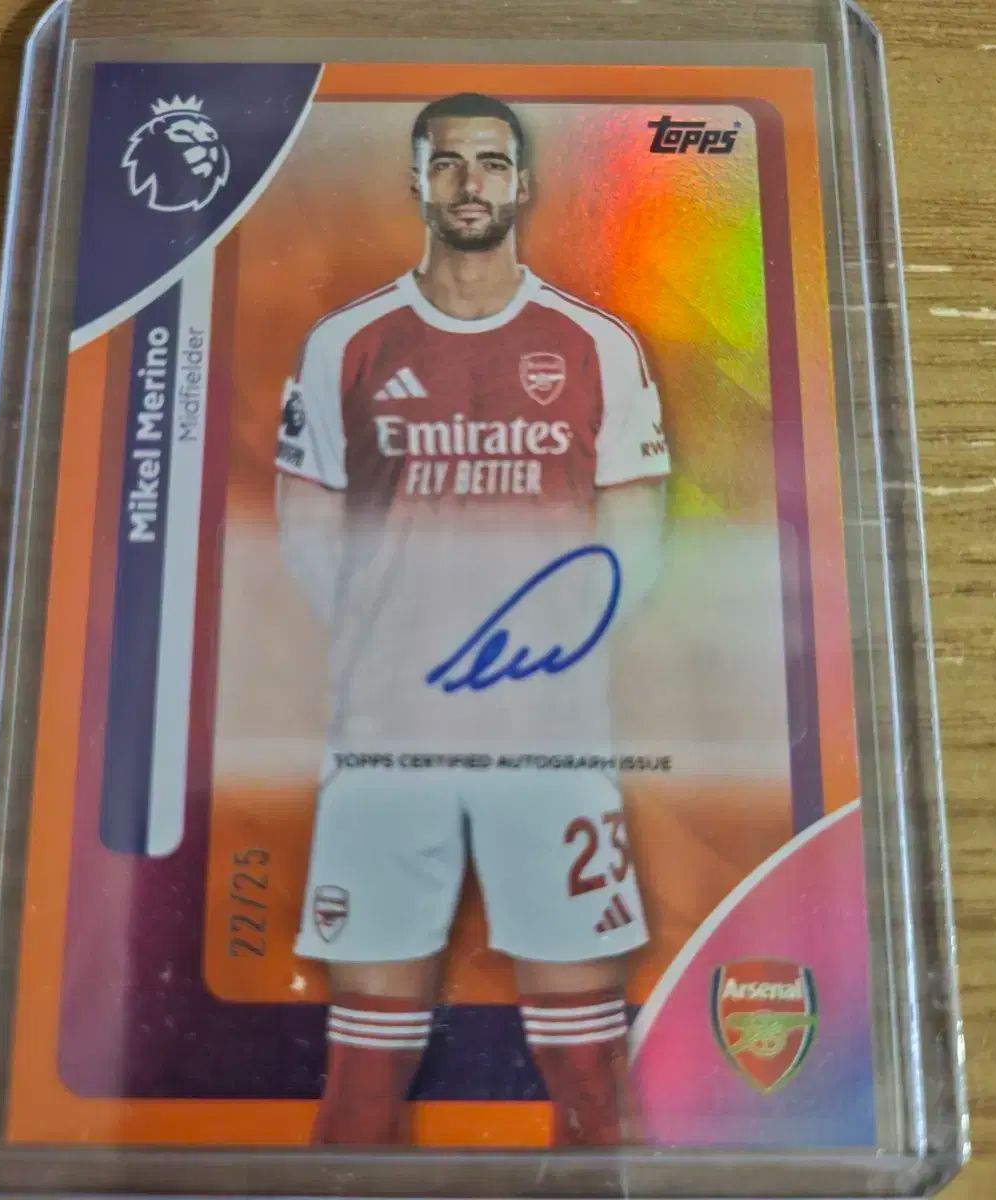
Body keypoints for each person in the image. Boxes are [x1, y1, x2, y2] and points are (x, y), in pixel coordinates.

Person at [275, 92, 670, 1147]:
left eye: (490, 163)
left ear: (523, 183)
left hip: (549, 736)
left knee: (593, 1082)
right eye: (447, 163)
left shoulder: (596, 344)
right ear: (417, 180)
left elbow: (634, 543)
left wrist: (537, 659)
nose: (469, 183)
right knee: (361, 1088)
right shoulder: (346, 342)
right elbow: (308, 532)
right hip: (386, 736)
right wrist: (394, 647)